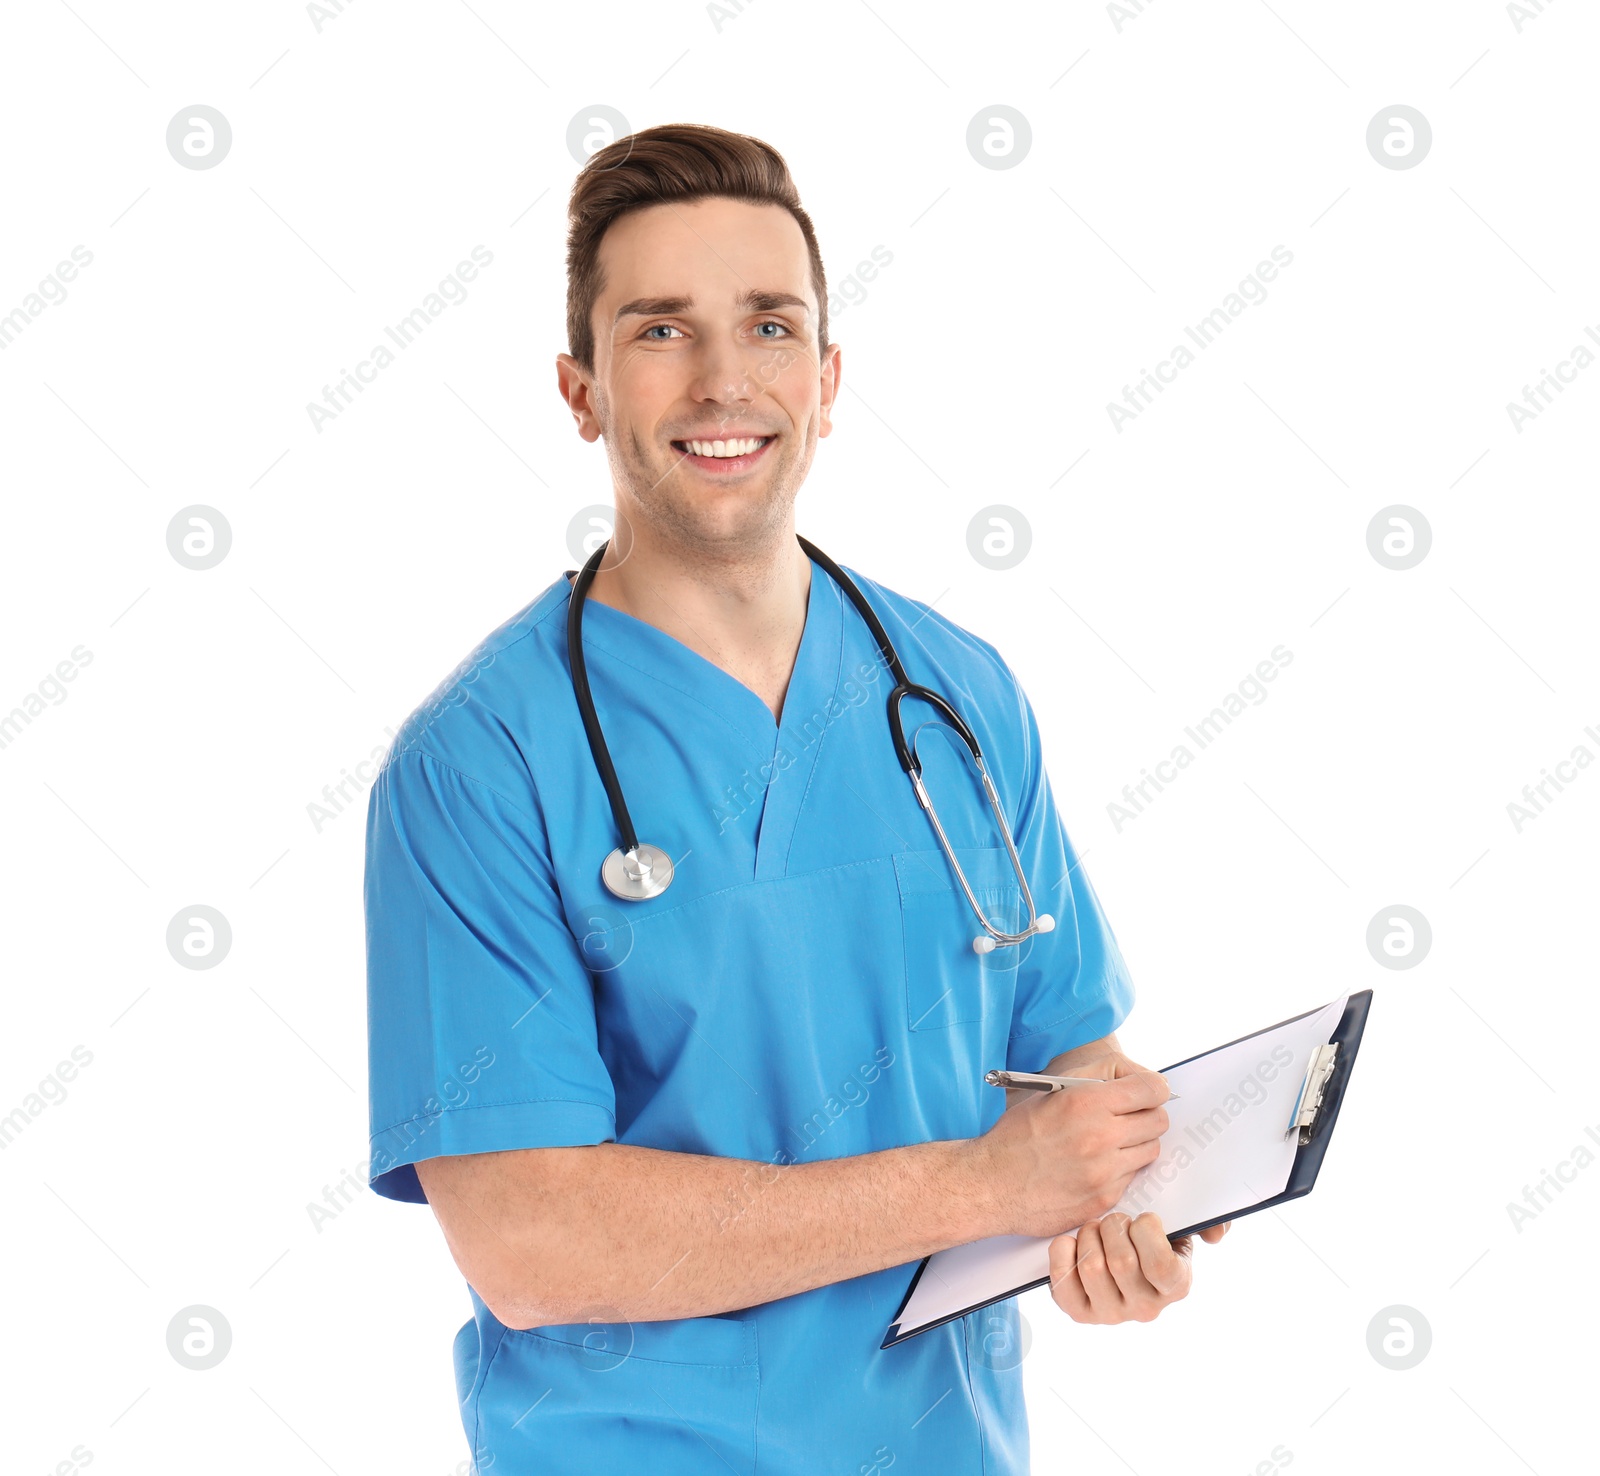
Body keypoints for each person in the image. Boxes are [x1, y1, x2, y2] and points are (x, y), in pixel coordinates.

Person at [363, 121, 1228, 1476]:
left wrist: (1145, 1193)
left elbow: (1070, 1045)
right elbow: (530, 1242)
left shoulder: (957, 694)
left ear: (827, 380)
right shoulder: (478, 766)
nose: (724, 382)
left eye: (769, 327)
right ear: (579, 389)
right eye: (659, 331)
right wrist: (988, 1186)